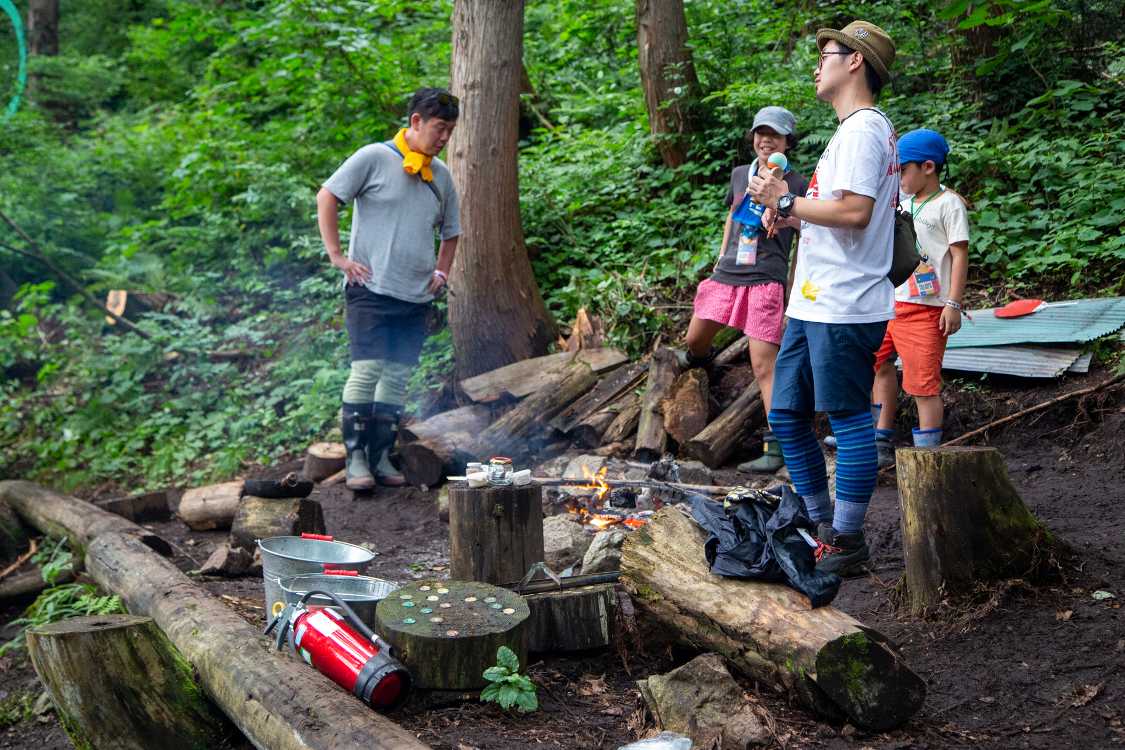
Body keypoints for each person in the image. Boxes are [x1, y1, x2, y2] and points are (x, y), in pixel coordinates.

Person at [748, 21, 898, 575]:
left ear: (854, 62)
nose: (817, 65)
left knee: (849, 418)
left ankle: (847, 538)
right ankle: (819, 522)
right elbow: (831, 213)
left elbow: (856, 214)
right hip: (813, 302)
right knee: (786, 416)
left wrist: (784, 201)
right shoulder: (850, 131)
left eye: (826, 55)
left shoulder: (863, 130)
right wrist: (785, 214)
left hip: (846, 302)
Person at [316, 88, 461, 491]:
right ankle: (356, 458)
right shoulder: (374, 157)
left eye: (450, 130)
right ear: (416, 122)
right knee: (366, 372)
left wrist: (442, 273)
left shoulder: (442, 176)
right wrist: (337, 255)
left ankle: (381, 455)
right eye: (439, 128)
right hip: (370, 287)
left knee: (396, 378)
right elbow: (327, 196)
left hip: (415, 295)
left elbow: (452, 233)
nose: (444, 137)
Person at [683, 106, 808, 473]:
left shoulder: (797, 184)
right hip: (728, 272)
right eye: (760, 133)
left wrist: (792, 285)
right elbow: (730, 216)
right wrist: (721, 256)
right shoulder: (740, 175)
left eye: (775, 135)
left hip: (766, 276)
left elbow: (807, 234)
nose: (765, 140)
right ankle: (703, 367)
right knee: (694, 340)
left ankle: (777, 448)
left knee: (764, 366)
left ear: (788, 142)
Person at [870, 129, 969, 463]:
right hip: (888, 303)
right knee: (877, 364)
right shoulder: (903, 200)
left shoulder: (950, 204)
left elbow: (959, 255)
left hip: (926, 310)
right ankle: (880, 440)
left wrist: (952, 303)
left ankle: (927, 458)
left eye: (903, 169)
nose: (898, 177)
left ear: (928, 166)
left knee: (922, 383)